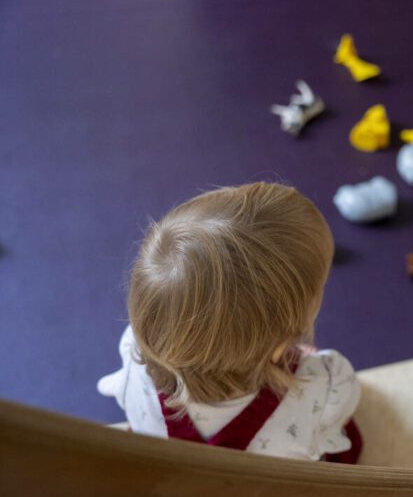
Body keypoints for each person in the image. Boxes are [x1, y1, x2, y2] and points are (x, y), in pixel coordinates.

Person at [97, 182, 362, 463]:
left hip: (170, 466)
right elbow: (342, 412)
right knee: (349, 442)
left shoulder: (132, 346)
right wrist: (305, 361)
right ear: (278, 347)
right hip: (267, 482)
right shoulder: (325, 382)